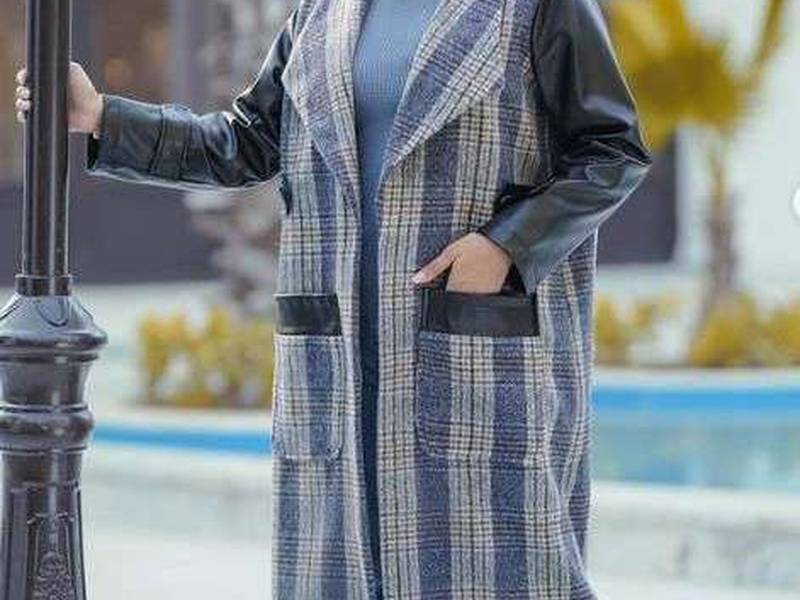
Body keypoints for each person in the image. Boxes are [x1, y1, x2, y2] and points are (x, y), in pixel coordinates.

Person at [15, 0, 651, 597]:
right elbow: (244, 144)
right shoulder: (323, 11)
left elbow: (612, 149)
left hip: (474, 365)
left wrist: (507, 245)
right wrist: (101, 117)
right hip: (334, 378)